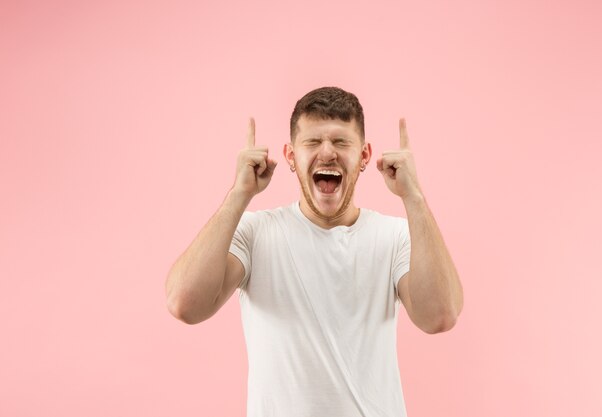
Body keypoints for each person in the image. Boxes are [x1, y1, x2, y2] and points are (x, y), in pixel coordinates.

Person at [166, 86, 464, 416]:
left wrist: (415, 197)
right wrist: (239, 194)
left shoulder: (396, 237)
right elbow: (184, 304)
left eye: (340, 142)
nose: (327, 153)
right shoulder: (254, 233)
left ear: (364, 156)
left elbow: (440, 315)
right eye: (312, 142)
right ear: (291, 156)